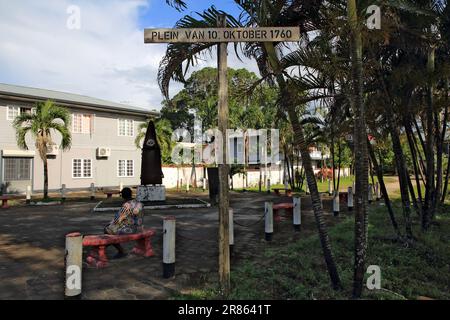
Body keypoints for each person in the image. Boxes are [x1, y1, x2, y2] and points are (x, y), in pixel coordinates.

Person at [104, 187, 144, 259]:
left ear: (122, 196)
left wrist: (110, 224)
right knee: (111, 230)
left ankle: (121, 251)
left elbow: (118, 220)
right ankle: (104, 247)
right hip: (138, 228)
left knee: (108, 230)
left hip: (129, 230)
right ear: (131, 194)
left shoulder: (126, 205)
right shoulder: (139, 204)